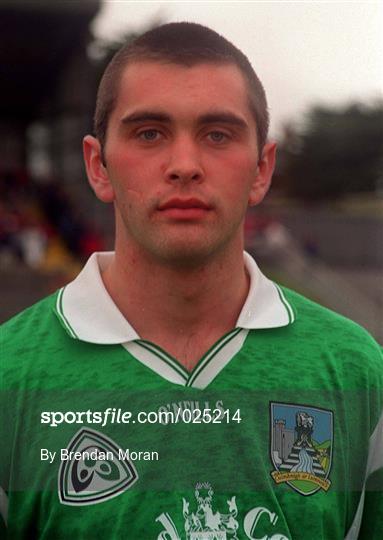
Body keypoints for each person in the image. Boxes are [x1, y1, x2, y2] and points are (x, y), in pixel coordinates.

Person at [1, 22, 382, 540]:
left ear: (262, 170)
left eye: (218, 134)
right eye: (149, 133)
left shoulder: (357, 371)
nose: (184, 166)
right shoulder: (9, 377)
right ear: (98, 166)